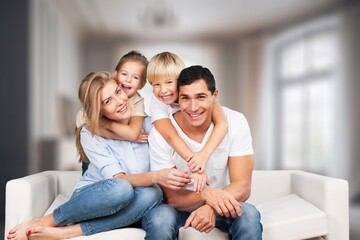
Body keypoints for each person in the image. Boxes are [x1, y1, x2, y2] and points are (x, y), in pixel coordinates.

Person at [7, 71, 192, 240]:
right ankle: (46, 221)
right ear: (99, 110)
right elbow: (120, 180)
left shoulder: (152, 125)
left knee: (156, 201)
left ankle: (69, 232)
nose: (120, 101)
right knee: (122, 188)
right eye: (107, 101)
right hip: (98, 200)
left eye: (118, 92)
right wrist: (155, 176)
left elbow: (186, 116)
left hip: (140, 203)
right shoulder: (91, 133)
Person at [142, 65, 263, 239]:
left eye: (201, 97)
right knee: (160, 217)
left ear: (215, 96)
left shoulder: (235, 121)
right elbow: (171, 197)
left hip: (221, 203)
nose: (193, 107)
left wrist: (211, 207)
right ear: (177, 98)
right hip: (178, 208)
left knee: (248, 214)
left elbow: (243, 186)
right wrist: (207, 194)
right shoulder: (160, 134)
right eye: (185, 98)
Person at [147, 52, 228, 193]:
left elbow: (222, 124)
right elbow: (171, 136)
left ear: (179, 82)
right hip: (167, 146)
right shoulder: (157, 104)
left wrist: (203, 155)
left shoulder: (196, 92)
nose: (163, 90)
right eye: (156, 84)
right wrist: (196, 166)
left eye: (169, 83)